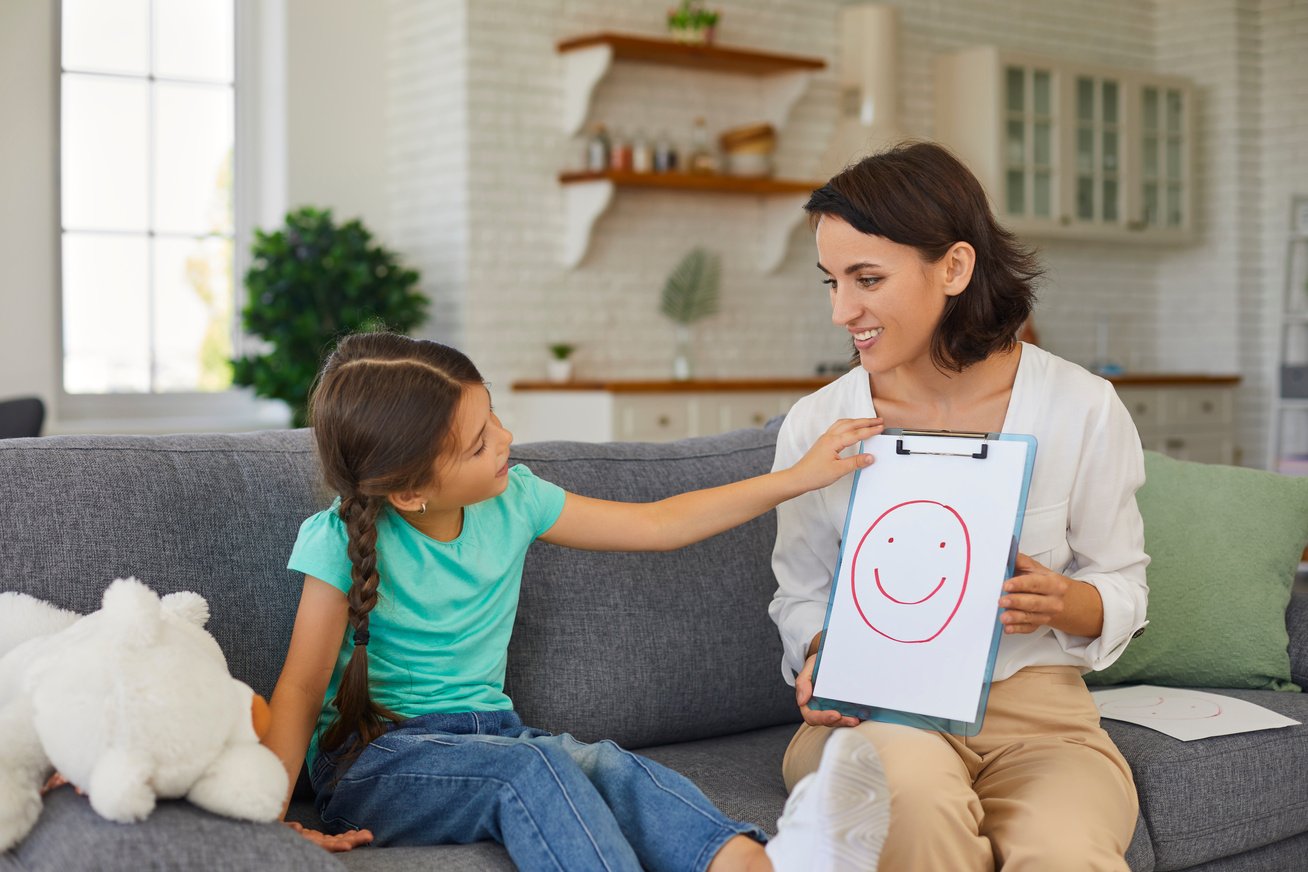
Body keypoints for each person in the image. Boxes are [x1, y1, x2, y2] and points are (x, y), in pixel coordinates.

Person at [263, 331, 890, 872]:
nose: (507, 439)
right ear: (410, 492)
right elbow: (300, 687)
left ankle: (762, 863)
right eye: (479, 443)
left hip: (497, 738)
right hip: (379, 765)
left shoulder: (517, 499)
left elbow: (658, 524)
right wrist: (268, 815)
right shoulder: (337, 541)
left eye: (495, 417)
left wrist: (797, 478)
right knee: (532, 771)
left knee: (609, 766)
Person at [769, 141, 1149, 871]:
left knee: (1066, 851)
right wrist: (821, 651)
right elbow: (801, 595)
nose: (843, 310)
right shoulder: (818, 426)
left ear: (954, 266)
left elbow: (1124, 584)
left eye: (867, 279)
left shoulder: (1081, 406)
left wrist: (1065, 601)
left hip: (1041, 719)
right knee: (914, 804)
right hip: (875, 711)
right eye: (832, 282)